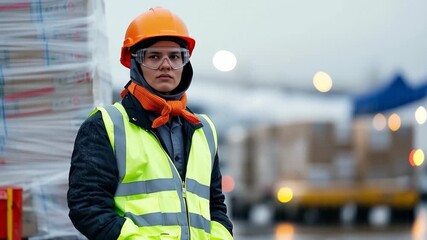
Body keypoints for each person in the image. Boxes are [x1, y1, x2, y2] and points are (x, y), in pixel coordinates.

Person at [67, 6, 234, 240]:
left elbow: (215, 206)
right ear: (135, 62)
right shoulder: (106, 125)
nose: (166, 65)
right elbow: (87, 205)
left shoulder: (204, 129)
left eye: (175, 56)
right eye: (154, 56)